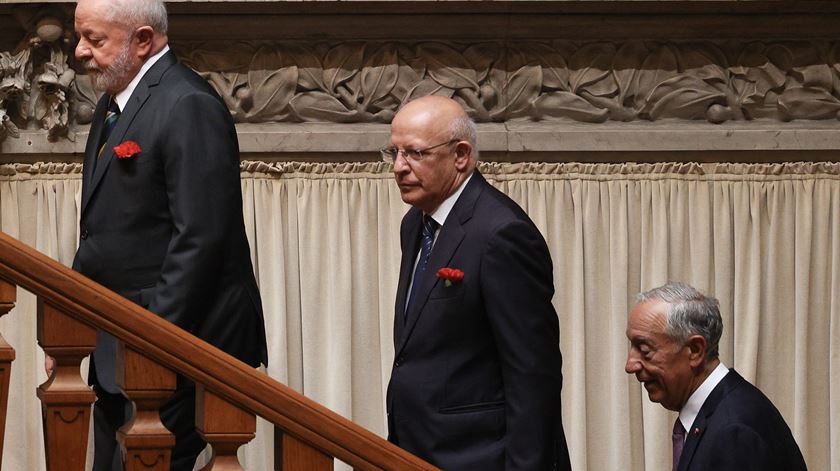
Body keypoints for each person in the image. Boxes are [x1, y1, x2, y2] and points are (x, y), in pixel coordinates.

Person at [71, 0, 268, 469]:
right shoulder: (114, 102)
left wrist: (151, 341)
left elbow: (200, 239)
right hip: (120, 345)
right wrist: (71, 320)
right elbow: (105, 233)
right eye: (80, 37)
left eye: (94, 40)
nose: (79, 51)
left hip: (174, 348)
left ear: (143, 40)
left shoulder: (188, 103)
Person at [383, 95, 572, 470]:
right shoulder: (415, 225)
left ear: (461, 155)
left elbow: (533, 374)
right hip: (418, 452)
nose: (399, 167)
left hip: (482, 458)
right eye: (394, 153)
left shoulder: (501, 234)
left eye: (415, 154)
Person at [625, 282, 807, 471]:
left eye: (644, 350)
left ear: (695, 350)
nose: (630, 365)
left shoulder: (733, 432)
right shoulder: (721, 410)